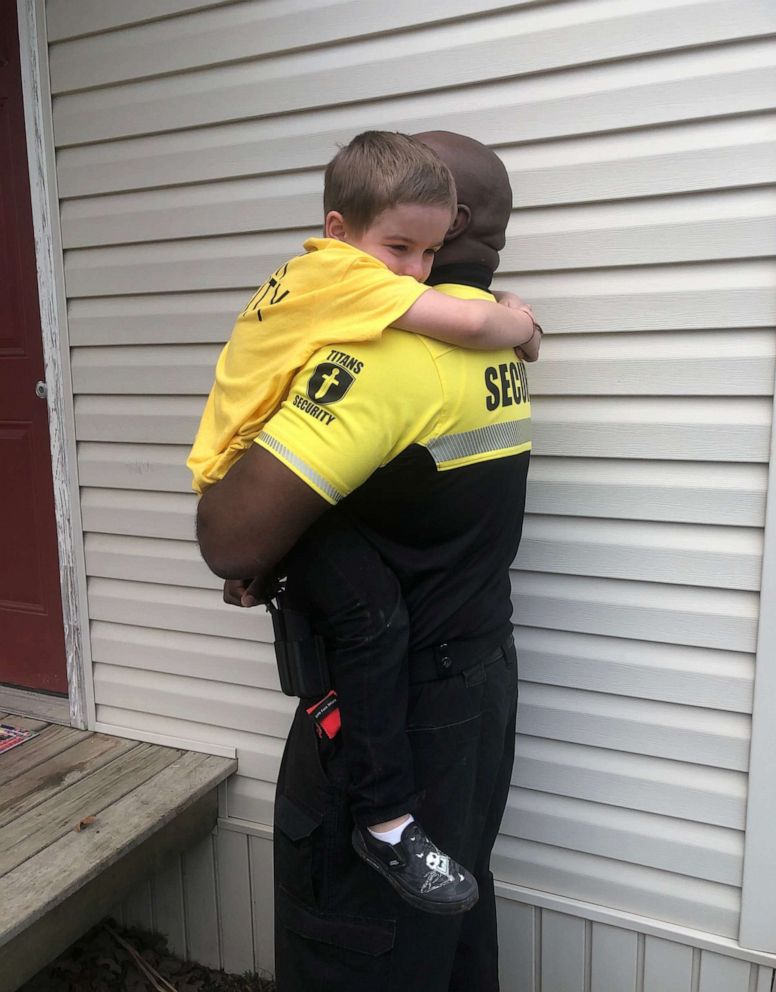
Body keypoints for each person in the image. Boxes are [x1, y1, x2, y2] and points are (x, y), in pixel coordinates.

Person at [197, 130, 538, 991]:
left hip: (390, 704)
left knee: (350, 937)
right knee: (450, 927)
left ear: (448, 224)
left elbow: (230, 539)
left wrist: (268, 545)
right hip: (479, 683)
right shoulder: (496, 351)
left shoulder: (386, 354)